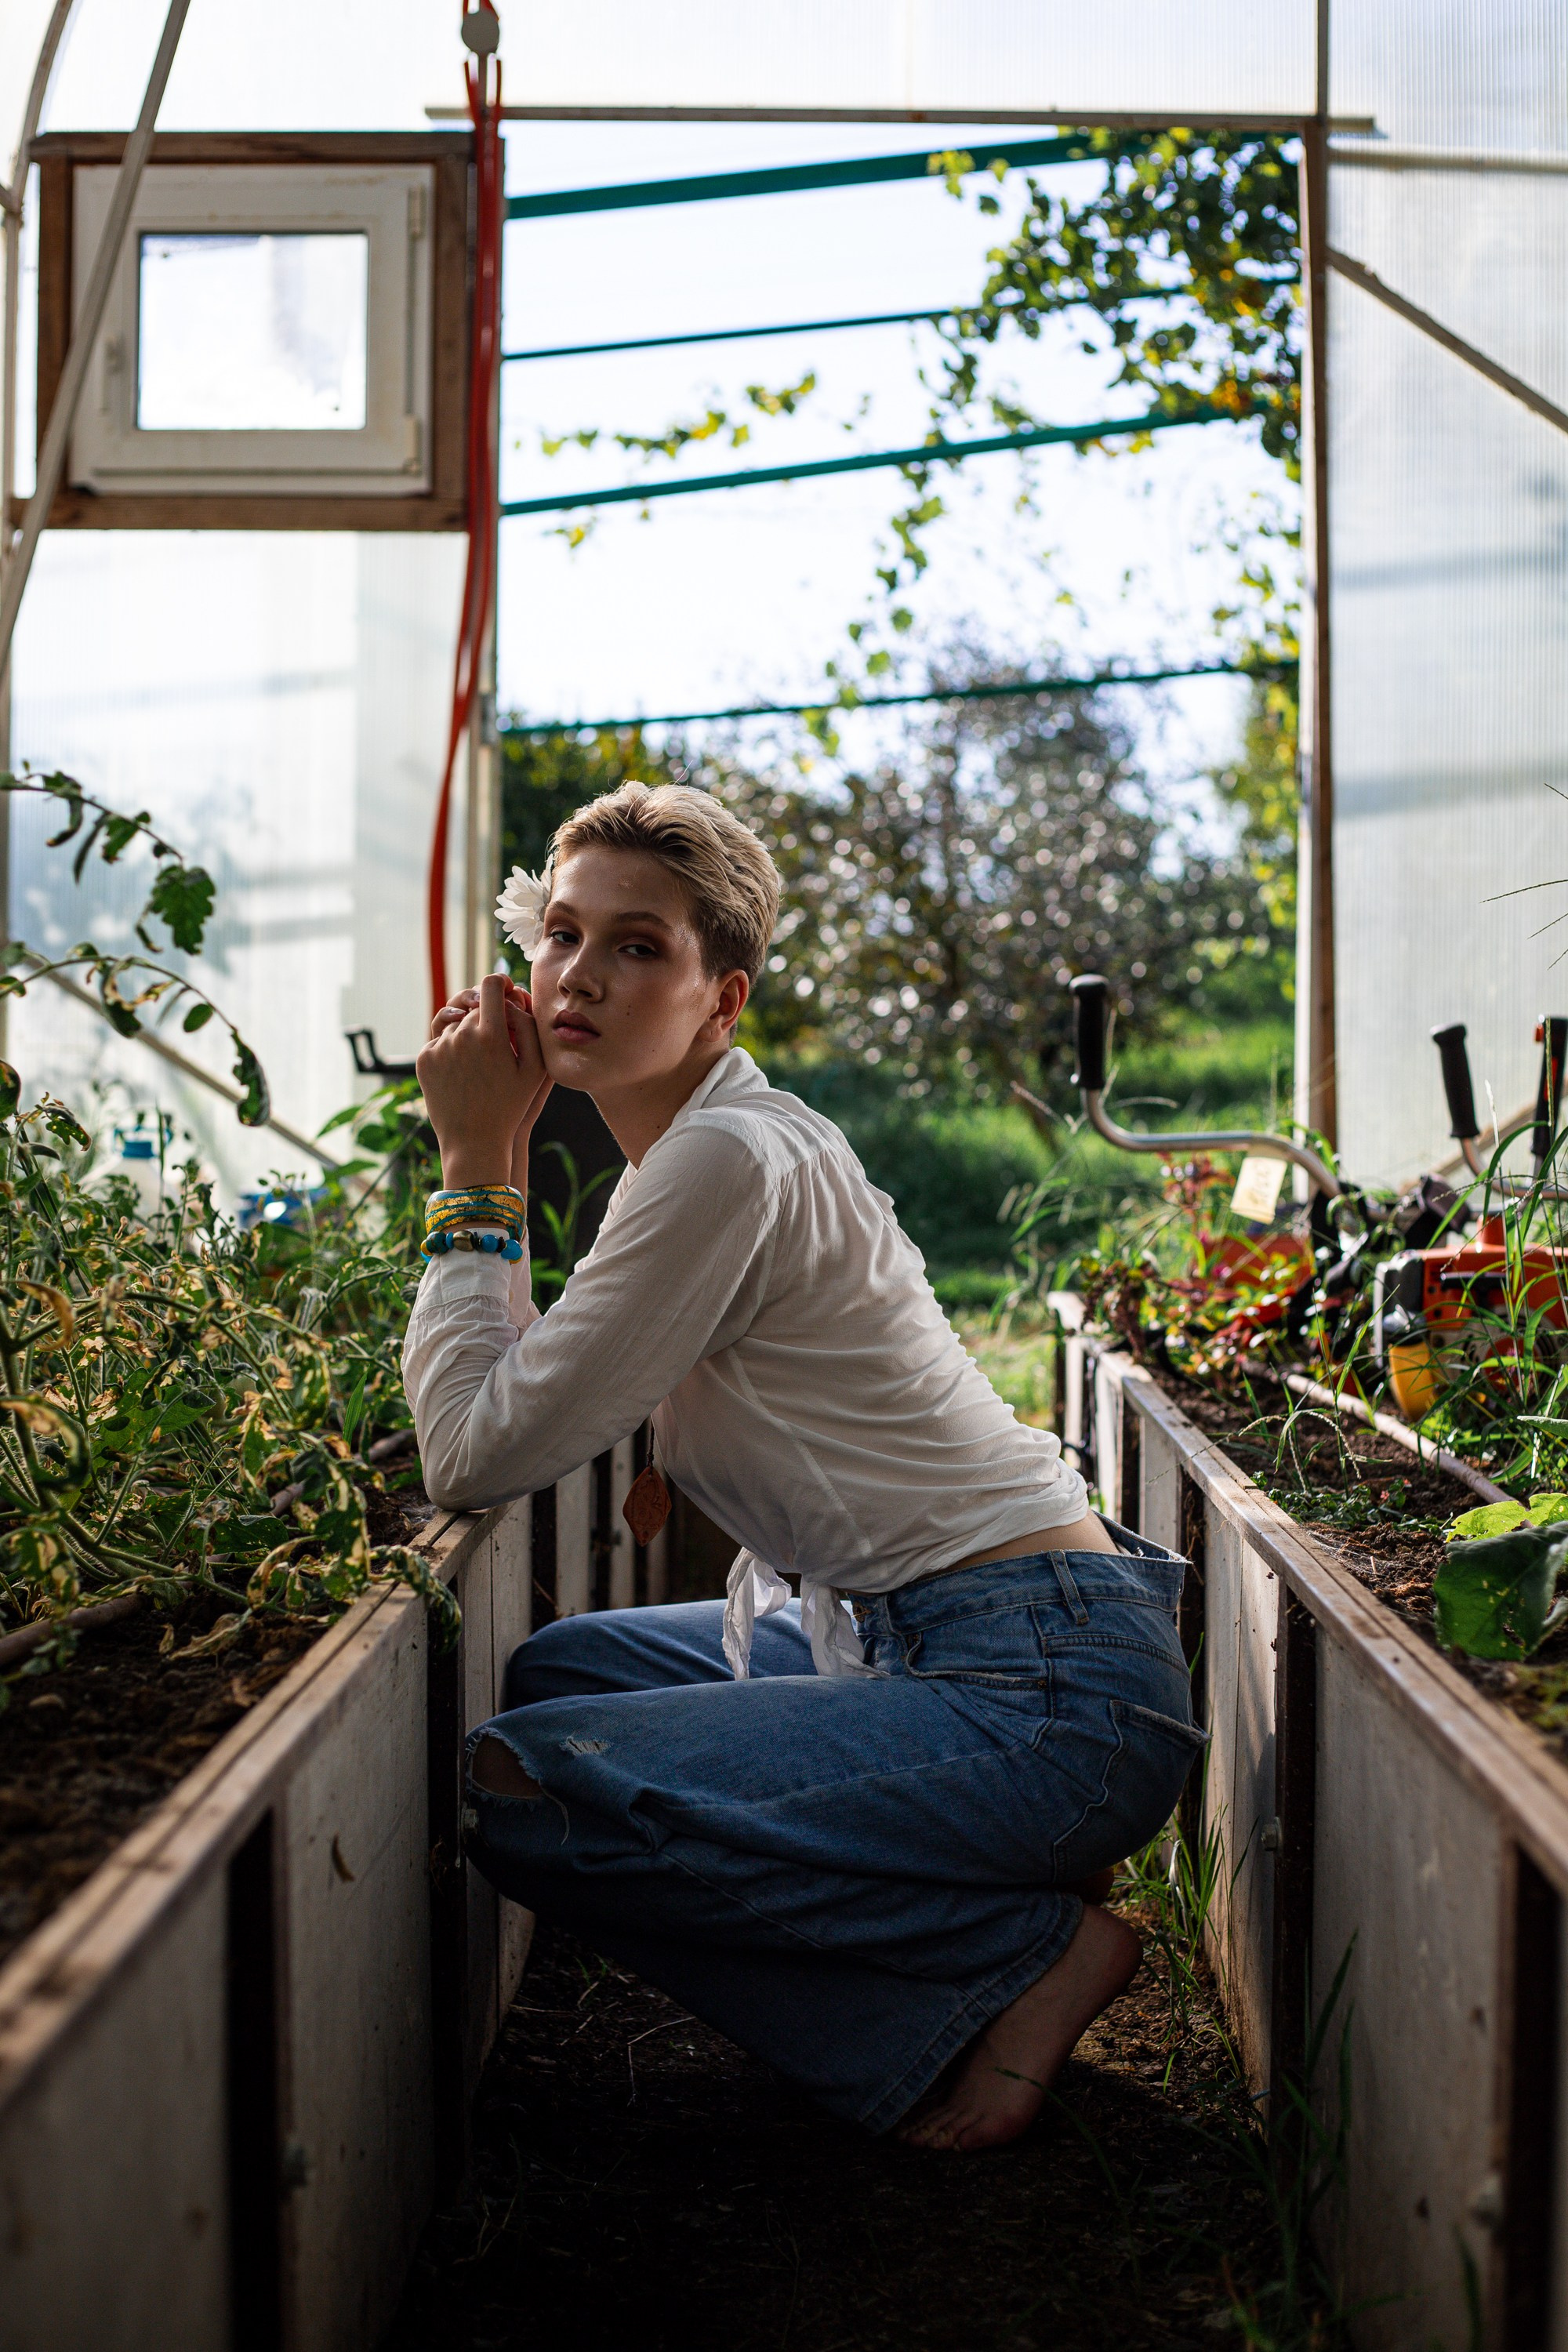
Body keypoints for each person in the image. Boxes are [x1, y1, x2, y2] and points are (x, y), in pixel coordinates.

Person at [403, 782, 1203, 2152]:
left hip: (1045, 1697)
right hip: (954, 1647)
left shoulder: (720, 1157)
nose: (579, 974)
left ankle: (1014, 1958)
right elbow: (526, 1397)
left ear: (725, 997)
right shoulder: (707, 1145)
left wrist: (479, 1163)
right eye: (561, 931)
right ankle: (971, 1896)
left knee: (520, 1784)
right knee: (564, 1680)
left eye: (639, 946)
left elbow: (473, 1453)